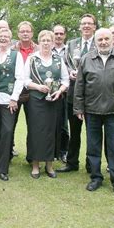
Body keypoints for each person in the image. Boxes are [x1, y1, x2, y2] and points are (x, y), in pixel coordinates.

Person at [74, 28, 114, 199]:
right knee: (93, 147)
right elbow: (79, 85)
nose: (103, 42)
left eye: (106, 39)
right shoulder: (86, 59)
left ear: (112, 40)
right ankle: (96, 177)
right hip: (92, 111)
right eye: (100, 39)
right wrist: (78, 108)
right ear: (95, 41)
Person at [24, 30, 69, 179]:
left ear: (52, 42)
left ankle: (49, 165)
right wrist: (38, 87)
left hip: (54, 101)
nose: (46, 42)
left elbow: (65, 80)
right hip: (36, 101)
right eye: (43, 40)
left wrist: (60, 91)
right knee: (36, 132)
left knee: (52, 132)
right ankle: (35, 165)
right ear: (39, 42)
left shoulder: (58, 59)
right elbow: (25, 80)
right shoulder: (31, 59)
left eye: (48, 40)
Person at [58, 14, 97, 173]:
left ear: (94, 26)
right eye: (83, 23)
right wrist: (70, 72)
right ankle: (72, 163)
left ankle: (91, 165)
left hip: (94, 96)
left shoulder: (99, 42)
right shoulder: (72, 44)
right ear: (80, 26)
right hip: (74, 95)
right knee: (74, 132)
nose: (86, 26)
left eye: (89, 23)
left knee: (92, 133)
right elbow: (65, 63)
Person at [0, 28, 24, 181]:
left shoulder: (16, 56)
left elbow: (20, 78)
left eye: (6, 37)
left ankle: (3, 168)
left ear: (11, 40)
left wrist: (14, 98)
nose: (3, 39)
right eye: (0, 36)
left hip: (8, 101)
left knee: (7, 131)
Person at [12, 21, 39, 159]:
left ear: (32, 33)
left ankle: (31, 156)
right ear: (18, 34)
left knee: (33, 126)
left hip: (33, 92)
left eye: (27, 31)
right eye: (22, 31)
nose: (25, 33)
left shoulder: (39, 50)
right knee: (10, 124)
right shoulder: (11, 49)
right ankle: (8, 152)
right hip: (15, 93)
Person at [52, 24, 69, 163]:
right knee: (50, 123)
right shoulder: (46, 48)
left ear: (64, 35)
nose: (58, 36)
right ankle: (51, 151)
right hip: (48, 92)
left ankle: (63, 151)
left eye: (60, 33)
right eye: (56, 33)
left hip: (65, 91)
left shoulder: (69, 50)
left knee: (63, 124)